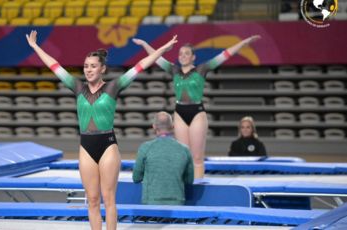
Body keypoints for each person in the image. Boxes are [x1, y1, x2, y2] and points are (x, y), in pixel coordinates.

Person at [26, 30, 177, 230]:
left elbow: (141, 65)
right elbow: (54, 65)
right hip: (86, 146)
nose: (88, 70)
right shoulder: (77, 87)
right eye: (86, 66)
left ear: (102, 69)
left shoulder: (114, 87)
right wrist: (36, 47)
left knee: (109, 199)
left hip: (107, 146)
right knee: (93, 199)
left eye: (93, 66)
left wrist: (163, 49)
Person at [133, 35, 261, 179]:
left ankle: (198, 186)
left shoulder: (202, 69)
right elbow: (156, 57)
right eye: (180, 53)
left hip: (197, 113)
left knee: (197, 157)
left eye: (187, 53)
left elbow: (225, 55)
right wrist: (144, 43)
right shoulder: (174, 70)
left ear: (193, 57)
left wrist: (243, 42)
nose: (183, 56)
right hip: (179, 113)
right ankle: (185, 187)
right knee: (183, 155)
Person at [132, 111, 194, 205]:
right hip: (177, 204)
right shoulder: (184, 149)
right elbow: (189, 180)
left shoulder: (145, 148)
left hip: (151, 205)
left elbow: (136, 178)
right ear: (172, 126)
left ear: (154, 126)